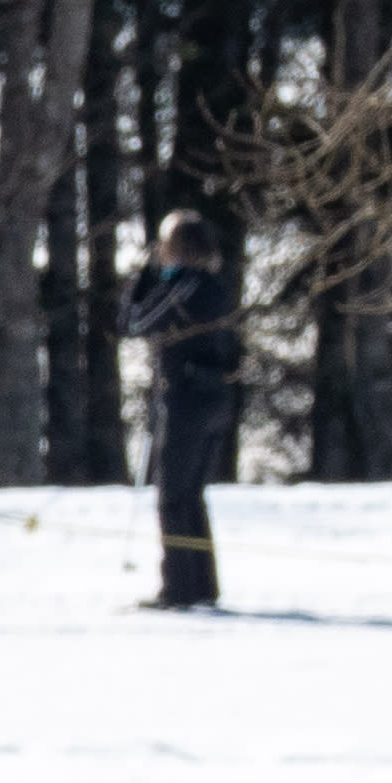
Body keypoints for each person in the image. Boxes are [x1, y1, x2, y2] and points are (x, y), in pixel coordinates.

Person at [127, 212, 240, 611]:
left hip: (188, 401)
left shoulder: (185, 285)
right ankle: (201, 584)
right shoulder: (214, 286)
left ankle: (178, 587)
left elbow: (136, 321)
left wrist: (143, 278)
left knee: (173, 496)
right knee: (190, 496)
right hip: (212, 398)